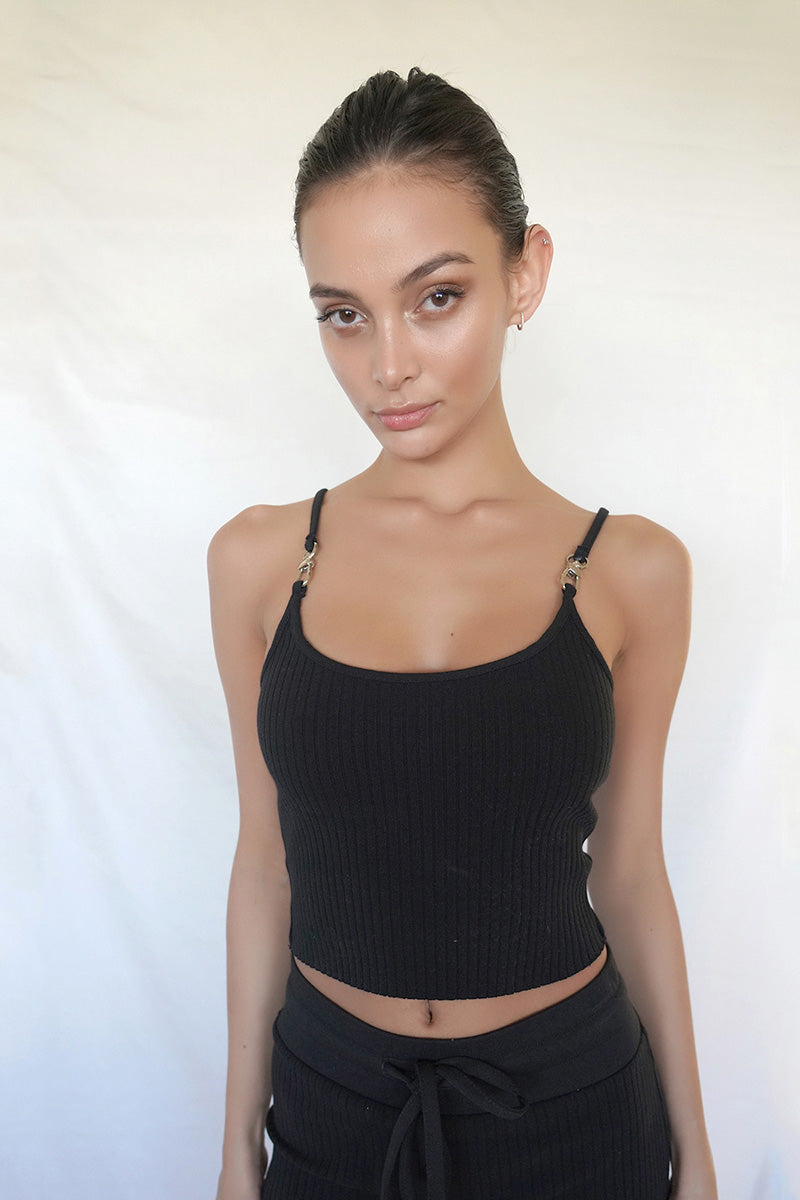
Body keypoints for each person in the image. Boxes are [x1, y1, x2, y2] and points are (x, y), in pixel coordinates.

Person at [209, 68, 716, 1200]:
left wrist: (698, 1157)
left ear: (524, 273)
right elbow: (264, 864)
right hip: (335, 1107)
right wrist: (238, 1154)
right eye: (343, 314)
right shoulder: (259, 561)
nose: (386, 364)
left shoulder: (631, 571)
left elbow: (632, 872)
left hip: (573, 1113)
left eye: (434, 297)